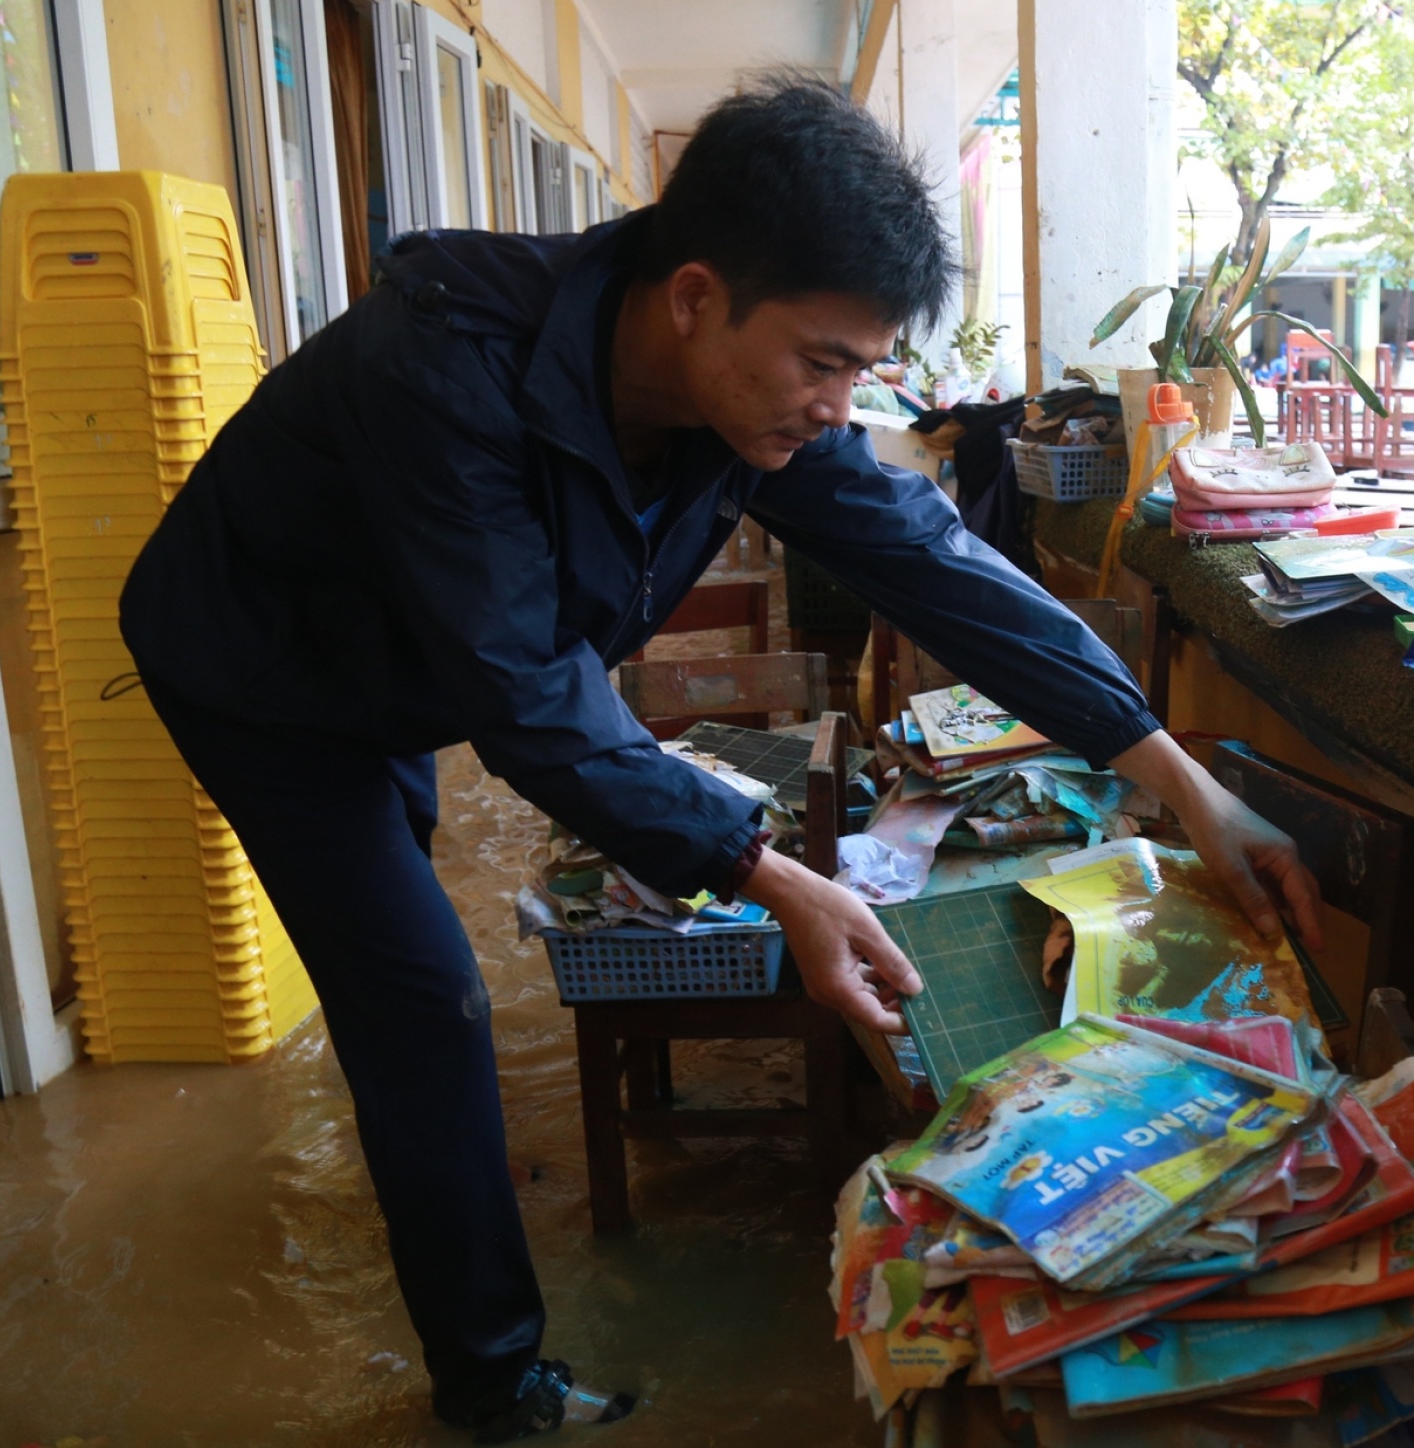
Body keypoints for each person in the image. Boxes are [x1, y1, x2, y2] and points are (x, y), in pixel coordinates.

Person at [118, 74, 1321, 1441]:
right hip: (261, 674)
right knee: (425, 995)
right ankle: (493, 1384)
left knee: (403, 911)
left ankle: (432, 1154)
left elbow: (932, 562)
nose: (836, 402)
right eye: (823, 360)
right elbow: (527, 697)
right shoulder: (441, 371)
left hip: (399, 658)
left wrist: (1183, 779)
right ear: (696, 295)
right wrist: (781, 885)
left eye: (863, 369)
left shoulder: (736, 399)